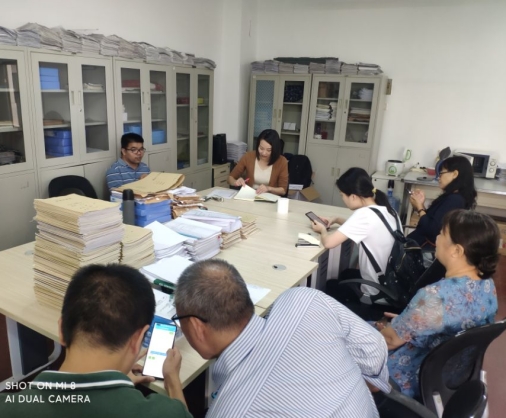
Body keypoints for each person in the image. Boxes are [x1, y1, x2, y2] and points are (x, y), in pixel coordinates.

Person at [173, 259, 390, 418]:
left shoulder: (230, 412)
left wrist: (173, 382)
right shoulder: (305, 300)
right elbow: (375, 345)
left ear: (196, 327)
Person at [0, 264, 190, 418]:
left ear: (61, 329)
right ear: (138, 339)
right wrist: (172, 380)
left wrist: (113, 383)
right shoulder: (164, 412)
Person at [375, 210, 498, 398]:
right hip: (451, 375)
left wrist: (388, 328)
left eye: (441, 233)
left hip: (415, 373)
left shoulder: (435, 296)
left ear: (457, 250)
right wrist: (408, 321)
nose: (437, 238)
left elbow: (390, 341)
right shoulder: (487, 285)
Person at [310, 167, 400, 302]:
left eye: (342, 195)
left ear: (353, 196)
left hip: (376, 293)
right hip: (393, 284)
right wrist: (336, 219)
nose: (342, 199)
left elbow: (328, 243)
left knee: (330, 286)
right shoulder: (388, 209)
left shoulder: (364, 214)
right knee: (346, 274)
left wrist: (322, 230)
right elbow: (365, 228)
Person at [408, 156, 477, 248]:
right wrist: (420, 205)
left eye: (441, 173)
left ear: (455, 174)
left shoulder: (455, 200)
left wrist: (420, 208)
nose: (438, 177)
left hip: (422, 247)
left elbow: (432, 231)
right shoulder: (454, 196)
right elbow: (433, 221)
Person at [228, 129, 288, 196]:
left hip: (270, 198)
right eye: (261, 148)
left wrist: (268, 188)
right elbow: (230, 178)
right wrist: (236, 182)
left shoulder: (282, 161)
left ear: (275, 149)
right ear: (257, 145)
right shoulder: (249, 156)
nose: (264, 153)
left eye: (269, 150)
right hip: (249, 196)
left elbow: (283, 190)